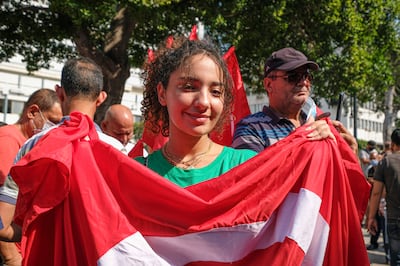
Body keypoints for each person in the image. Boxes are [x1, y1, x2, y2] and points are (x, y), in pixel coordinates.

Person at [0, 56, 122, 244]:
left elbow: (5, 228)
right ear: (101, 98)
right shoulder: (117, 151)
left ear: (60, 93)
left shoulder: (32, 146)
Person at [134, 37, 258, 187]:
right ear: (162, 93)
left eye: (216, 91)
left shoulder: (249, 167)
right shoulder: (135, 173)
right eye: (189, 87)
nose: (204, 102)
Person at [231, 47, 357, 153]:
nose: (303, 82)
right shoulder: (250, 128)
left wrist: (350, 155)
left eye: (307, 76)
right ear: (269, 84)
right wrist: (305, 137)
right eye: (293, 77)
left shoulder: (319, 124)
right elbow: (253, 178)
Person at [0, 88, 62, 266]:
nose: (56, 129)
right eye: (53, 121)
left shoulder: (30, 144)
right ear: (33, 112)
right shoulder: (9, 142)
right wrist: (13, 258)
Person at [368, 129, 400, 265]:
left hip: (394, 217)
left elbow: (376, 193)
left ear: (392, 144)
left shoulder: (385, 162)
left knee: (396, 259)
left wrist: (371, 217)